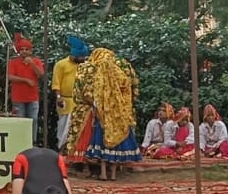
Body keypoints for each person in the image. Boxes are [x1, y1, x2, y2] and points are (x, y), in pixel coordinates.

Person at [64, 47, 141, 181]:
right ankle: (113, 171)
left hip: (92, 110)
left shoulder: (87, 68)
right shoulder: (121, 67)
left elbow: (80, 92)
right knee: (113, 140)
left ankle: (88, 167)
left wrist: (94, 104)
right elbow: (131, 88)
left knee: (93, 138)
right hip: (117, 113)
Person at [7, 33, 45, 144]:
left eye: (26, 49)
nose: (24, 51)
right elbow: (10, 77)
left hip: (33, 98)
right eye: (22, 49)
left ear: (30, 51)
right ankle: (20, 142)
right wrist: (25, 80)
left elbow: (41, 74)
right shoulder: (13, 62)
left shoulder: (36, 61)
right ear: (19, 51)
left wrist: (32, 64)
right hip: (18, 98)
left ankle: (32, 141)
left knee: (34, 120)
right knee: (20, 121)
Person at [52, 37, 89, 149]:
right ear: (73, 55)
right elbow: (56, 83)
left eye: (83, 56)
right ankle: (62, 149)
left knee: (78, 128)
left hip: (80, 102)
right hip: (65, 100)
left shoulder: (85, 66)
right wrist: (58, 97)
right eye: (80, 56)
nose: (82, 58)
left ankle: (76, 152)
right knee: (64, 127)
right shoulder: (61, 64)